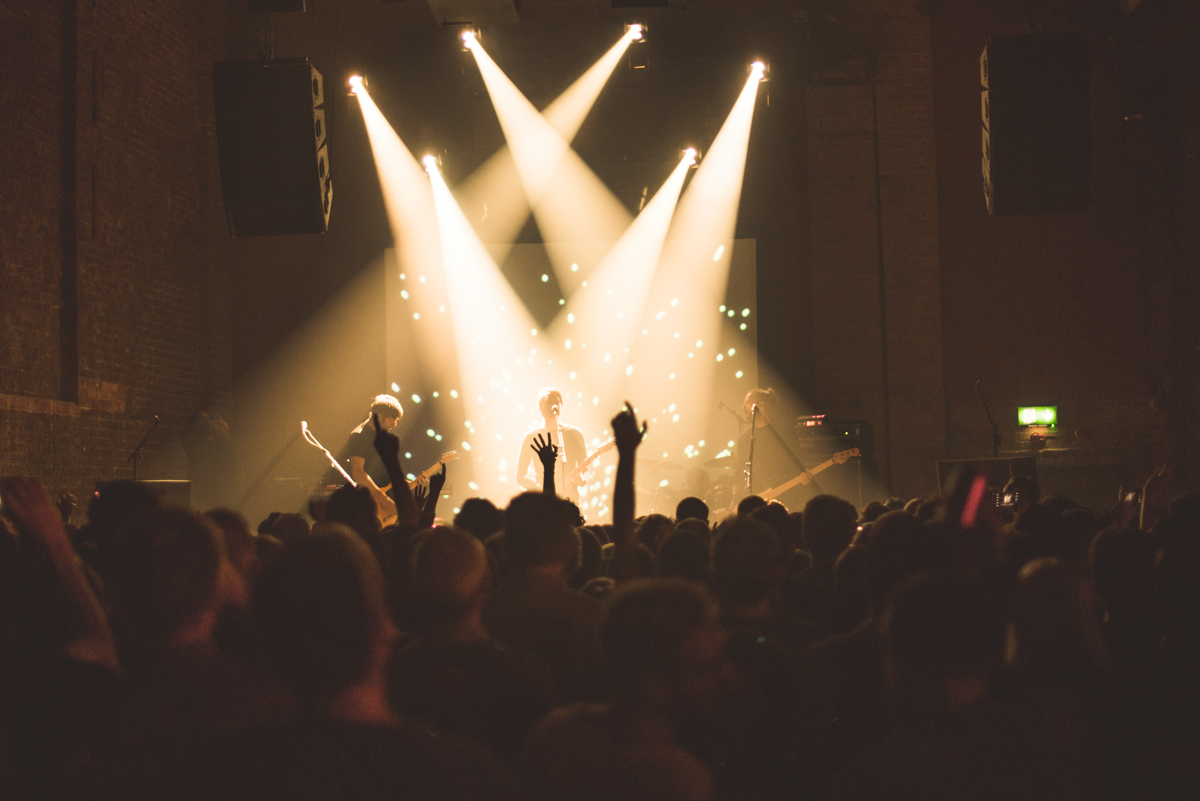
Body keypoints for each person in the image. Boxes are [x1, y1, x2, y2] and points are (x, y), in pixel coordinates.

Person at [735, 388, 811, 506]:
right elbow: (739, 472)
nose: (742, 407)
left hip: (788, 499)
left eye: (747, 402)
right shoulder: (744, 440)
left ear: (761, 405)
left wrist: (803, 475)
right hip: (758, 502)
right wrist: (735, 498)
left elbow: (798, 464)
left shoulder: (786, 434)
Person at [517, 387, 588, 501]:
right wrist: (540, 490)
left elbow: (585, 469)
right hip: (542, 502)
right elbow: (520, 475)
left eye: (556, 402)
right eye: (549, 402)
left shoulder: (575, 434)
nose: (553, 406)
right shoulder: (531, 437)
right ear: (540, 408)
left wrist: (582, 480)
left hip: (570, 501)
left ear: (561, 407)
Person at [344, 395, 405, 523]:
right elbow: (358, 473)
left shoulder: (383, 435)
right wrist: (382, 498)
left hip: (384, 501)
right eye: (392, 419)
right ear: (379, 417)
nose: (395, 424)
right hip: (366, 504)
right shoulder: (359, 436)